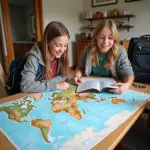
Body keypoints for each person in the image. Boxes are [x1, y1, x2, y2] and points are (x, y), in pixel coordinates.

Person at [74, 19, 134, 94]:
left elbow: (128, 73)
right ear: (95, 37)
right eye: (101, 37)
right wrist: (77, 76)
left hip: (112, 88)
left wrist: (127, 85)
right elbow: (80, 67)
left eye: (110, 38)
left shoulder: (120, 51)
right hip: (91, 87)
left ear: (114, 39)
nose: (105, 42)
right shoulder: (87, 48)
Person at [20, 21, 70, 93]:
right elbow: (25, 86)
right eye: (58, 45)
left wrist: (45, 83)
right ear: (47, 42)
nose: (62, 50)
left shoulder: (60, 55)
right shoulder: (33, 58)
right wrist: (55, 85)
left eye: (65, 45)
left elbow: (65, 76)